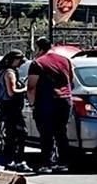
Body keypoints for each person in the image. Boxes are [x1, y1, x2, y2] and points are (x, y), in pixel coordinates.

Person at [27, 37, 73, 174]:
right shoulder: (65, 61)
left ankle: (46, 164)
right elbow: (70, 80)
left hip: (46, 101)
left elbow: (31, 87)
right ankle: (63, 163)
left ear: (39, 48)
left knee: (46, 134)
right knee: (61, 132)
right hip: (65, 100)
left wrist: (32, 104)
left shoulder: (38, 63)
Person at [0, 50, 29, 172]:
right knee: (19, 134)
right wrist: (25, 89)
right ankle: (16, 161)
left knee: (12, 135)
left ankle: (12, 161)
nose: (20, 64)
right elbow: (11, 91)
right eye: (19, 61)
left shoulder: (6, 71)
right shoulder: (9, 73)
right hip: (11, 107)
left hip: (8, 107)